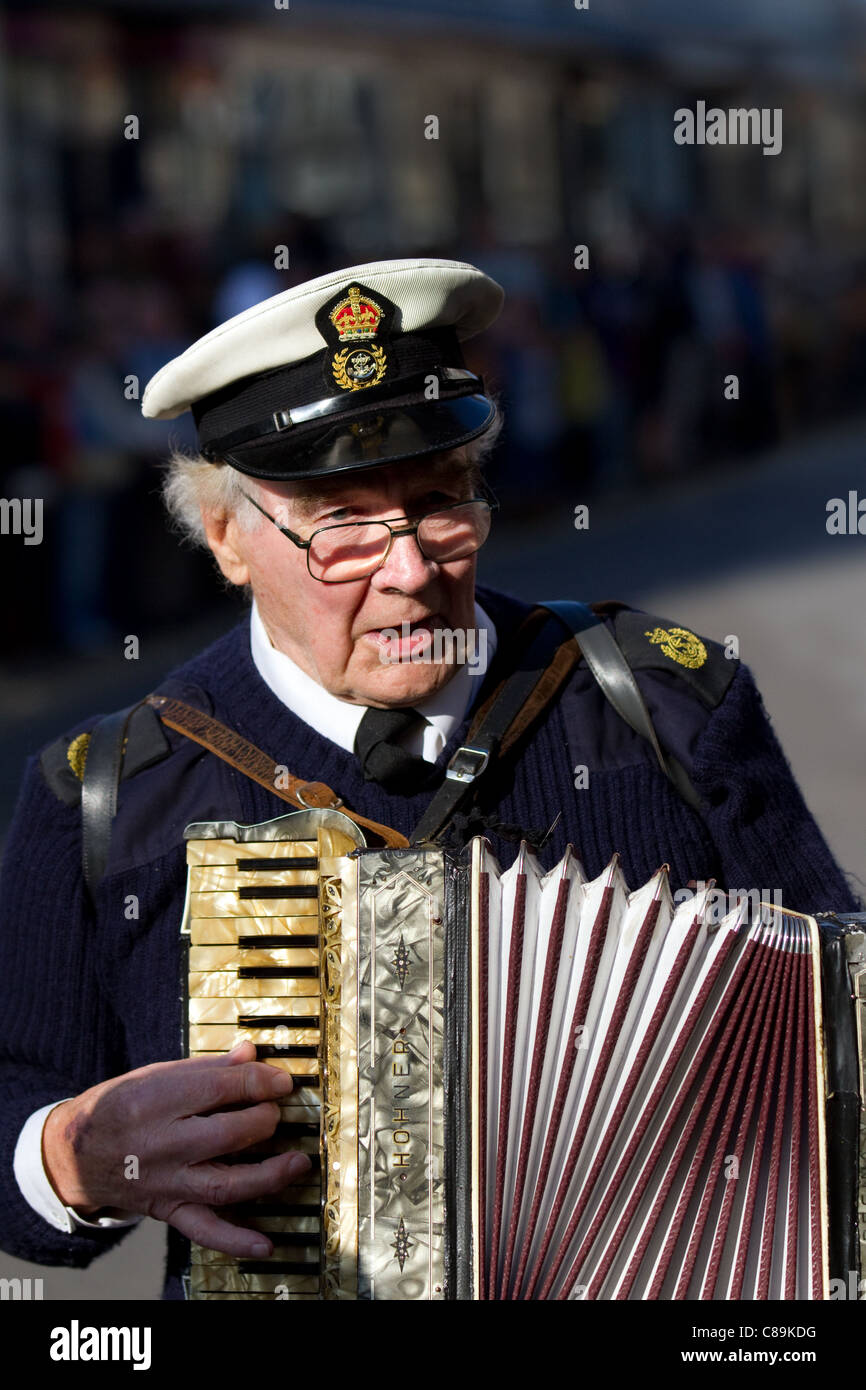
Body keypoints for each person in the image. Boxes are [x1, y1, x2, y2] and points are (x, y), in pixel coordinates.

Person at [0, 258, 858, 1301]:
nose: (409, 568)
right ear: (225, 537)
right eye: (343, 525)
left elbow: (836, 1029)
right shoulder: (104, 794)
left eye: (438, 503)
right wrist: (72, 1156)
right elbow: (18, 1108)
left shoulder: (665, 706)